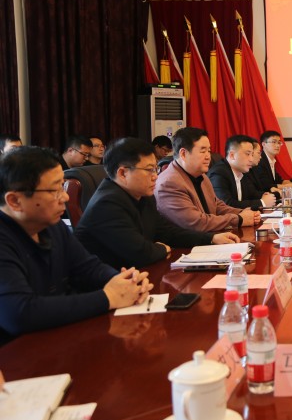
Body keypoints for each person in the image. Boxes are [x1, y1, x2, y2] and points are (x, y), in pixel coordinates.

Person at [0, 146, 152, 343]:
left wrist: (126, 283)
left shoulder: (52, 226)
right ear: (14, 201)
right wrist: (108, 298)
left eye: (62, 186)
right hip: (16, 353)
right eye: (54, 190)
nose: (65, 197)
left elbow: (88, 268)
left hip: (57, 337)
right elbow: (19, 313)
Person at [75, 138, 240, 269]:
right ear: (123, 173)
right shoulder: (106, 204)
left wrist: (211, 238)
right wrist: (162, 248)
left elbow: (166, 232)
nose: (155, 176)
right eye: (149, 170)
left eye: (155, 169)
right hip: (107, 286)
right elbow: (140, 253)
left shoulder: (143, 195)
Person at [155, 127, 261, 232]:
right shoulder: (169, 183)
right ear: (183, 154)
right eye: (203, 151)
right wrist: (239, 219)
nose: (208, 157)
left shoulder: (202, 177)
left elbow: (217, 206)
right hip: (186, 242)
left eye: (209, 151)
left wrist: (243, 213)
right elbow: (196, 223)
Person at [208, 135, 276, 210]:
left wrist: (263, 195)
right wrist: (262, 202)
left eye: (252, 154)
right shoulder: (219, 173)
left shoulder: (242, 171)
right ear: (232, 155)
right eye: (247, 154)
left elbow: (251, 193)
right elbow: (226, 205)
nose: (251, 159)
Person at [250, 130, 292, 197]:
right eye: (274, 142)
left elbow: (279, 181)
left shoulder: (271, 161)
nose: (277, 145)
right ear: (264, 144)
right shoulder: (259, 161)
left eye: (279, 142)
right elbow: (266, 186)